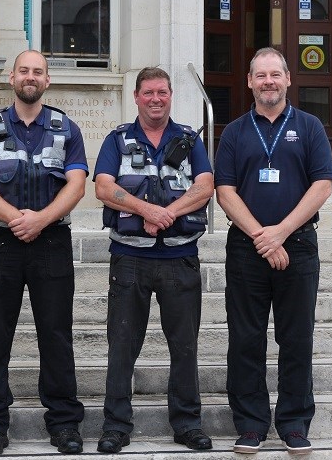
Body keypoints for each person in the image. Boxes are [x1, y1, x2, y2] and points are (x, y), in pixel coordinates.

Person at [214, 47, 332, 454]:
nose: (268, 81)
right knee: (245, 338)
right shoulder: (233, 132)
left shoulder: (310, 125)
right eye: (260, 75)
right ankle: (250, 424)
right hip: (247, 249)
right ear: (249, 82)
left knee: (297, 337)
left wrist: (281, 233)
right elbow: (224, 190)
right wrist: (261, 238)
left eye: (275, 74)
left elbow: (322, 185)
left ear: (287, 79)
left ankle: (294, 423)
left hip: (297, 246)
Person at [0, 50, 87, 456]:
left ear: (47, 80)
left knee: (55, 334)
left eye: (38, 71)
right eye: (24, 70)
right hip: (2, 242)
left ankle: (65, 423)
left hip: (51, 243)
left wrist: (42, 220)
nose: (30, 77)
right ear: (11, 77)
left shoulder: (66, 128)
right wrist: (17, 218)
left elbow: (76, 184)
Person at [93, 67, 214, 454]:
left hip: (181, 257)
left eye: (162, 92)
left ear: (171, 95)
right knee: (122, 344)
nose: (156, 99)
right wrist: (147, 209)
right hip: (130, 259)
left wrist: (167, 214)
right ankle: (116, 425)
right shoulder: (117, 139)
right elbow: (103, 187)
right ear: (136, 97)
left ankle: (187, 424)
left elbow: (205, 185)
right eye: (148, 93)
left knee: (185, 345)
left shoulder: (189, 139)